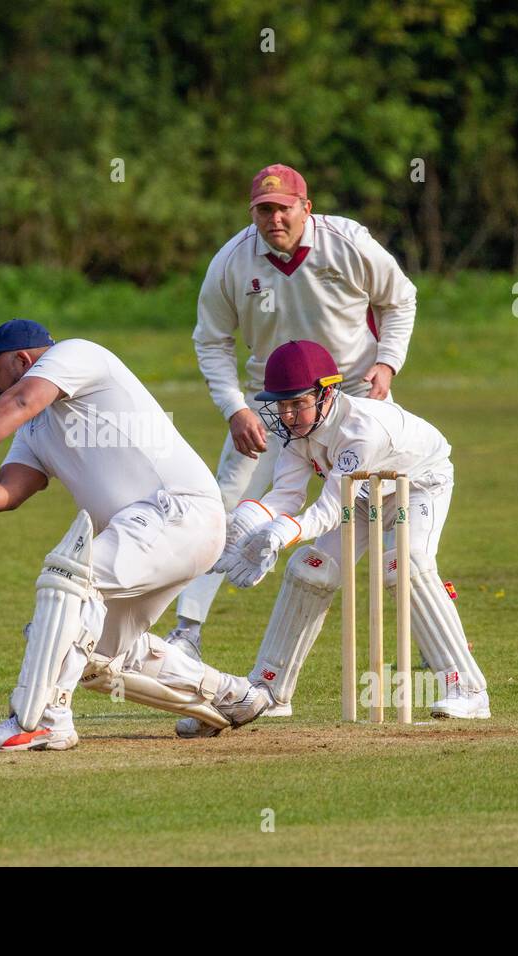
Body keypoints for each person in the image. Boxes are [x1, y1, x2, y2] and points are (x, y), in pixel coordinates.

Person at [0, 319, 270, 751]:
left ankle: (41, 719)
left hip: (179, 511)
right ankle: (232, 697)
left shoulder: (77, 354)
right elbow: (10, 491)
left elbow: (23, 398)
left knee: (67, 579)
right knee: (97, 658)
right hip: (149, 533)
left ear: (22, 359)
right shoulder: (34, 428)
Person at [168, 164, 419, 714]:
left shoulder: (348, 243)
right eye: (264, 209)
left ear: (307, 206)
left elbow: (399, 300)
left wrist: (388, 365)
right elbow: (211, 341)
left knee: (392, 520)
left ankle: (433, 647)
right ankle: (187, 632)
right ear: (252, 212)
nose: (275, 218)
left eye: (284, 207)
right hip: (268, 406)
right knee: (222, 511)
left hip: (353, 398)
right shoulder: (232, 261)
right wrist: (235, 408)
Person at [176, 339, 489, 737]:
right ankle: (269, 689)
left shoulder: (361, 432)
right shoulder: (297, 432)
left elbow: (327, 511)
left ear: (327, 392)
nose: (287, 415)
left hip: (418, 484)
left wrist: (283, 533)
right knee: (310, 569)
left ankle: (466, 688)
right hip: (357, 492)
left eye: (297, 403)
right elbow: (287, 494)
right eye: (281, 404)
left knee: (404, 566)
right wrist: (246, 524)